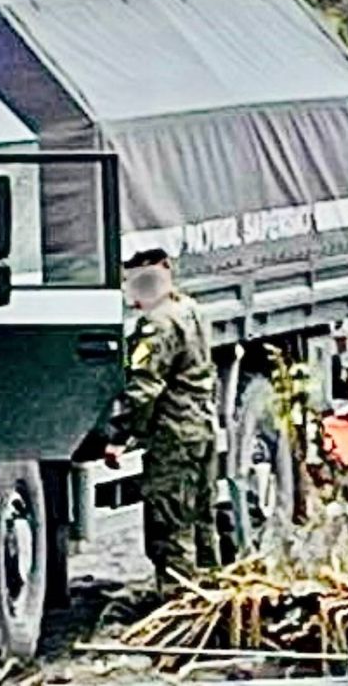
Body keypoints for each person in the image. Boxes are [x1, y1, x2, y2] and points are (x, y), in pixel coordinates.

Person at [100, 248, 219, 596]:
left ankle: (178, 603)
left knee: (169, 526)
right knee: (201, 520)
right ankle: (212, 598)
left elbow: (144, 387)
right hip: (201, 428)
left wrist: (120, 435)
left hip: (174, 436)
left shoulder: (158, 325)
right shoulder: (190, 310)